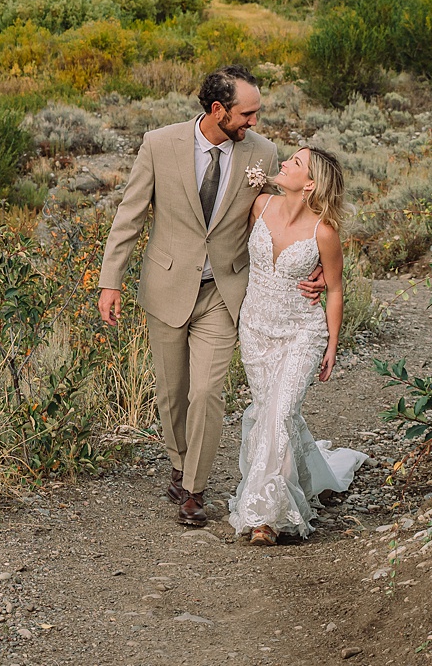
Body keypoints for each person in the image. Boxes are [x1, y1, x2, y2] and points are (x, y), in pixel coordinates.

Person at [97, 66, 321, 526]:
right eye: (247, 113)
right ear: (218, 109)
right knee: (172, 393)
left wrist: (315, 261)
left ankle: (195, 489)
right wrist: (110, 279)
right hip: (166, 287)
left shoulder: (262, 152)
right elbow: (131, 214)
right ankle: (179, 464)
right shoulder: (159, 144)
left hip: (224, 289)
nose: (254, 122)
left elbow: (291, 212)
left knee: (207, 391)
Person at [228, 147, 368, 545]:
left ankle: (266, 517)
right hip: (255, 330)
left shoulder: (323, 231)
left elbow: (337, 290)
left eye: (295, 162)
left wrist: (332, 344)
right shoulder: (259, 206)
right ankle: (308, 478)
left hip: (302, 334)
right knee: (269, 412)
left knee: (281, 412)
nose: (285, 162)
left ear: (310, 184)